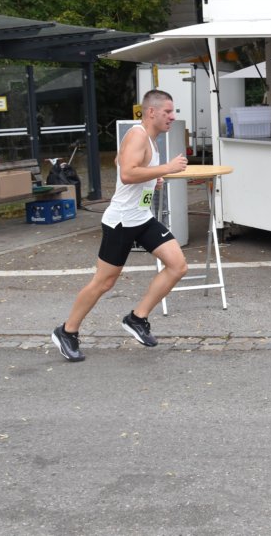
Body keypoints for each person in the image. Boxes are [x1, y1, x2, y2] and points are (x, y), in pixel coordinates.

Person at [51, 89, 189, 362]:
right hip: (122, 222)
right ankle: (67, 331)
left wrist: (150, 178)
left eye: (173, 112)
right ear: (151, 112)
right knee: (104, 282)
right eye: (168, 112)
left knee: (178, 266)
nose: (172, 117)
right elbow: (126, 173)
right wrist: (165, 169)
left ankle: (137, 318)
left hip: (142, 218)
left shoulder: (150, 138)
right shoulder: (138, 135)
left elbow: (119, 161)